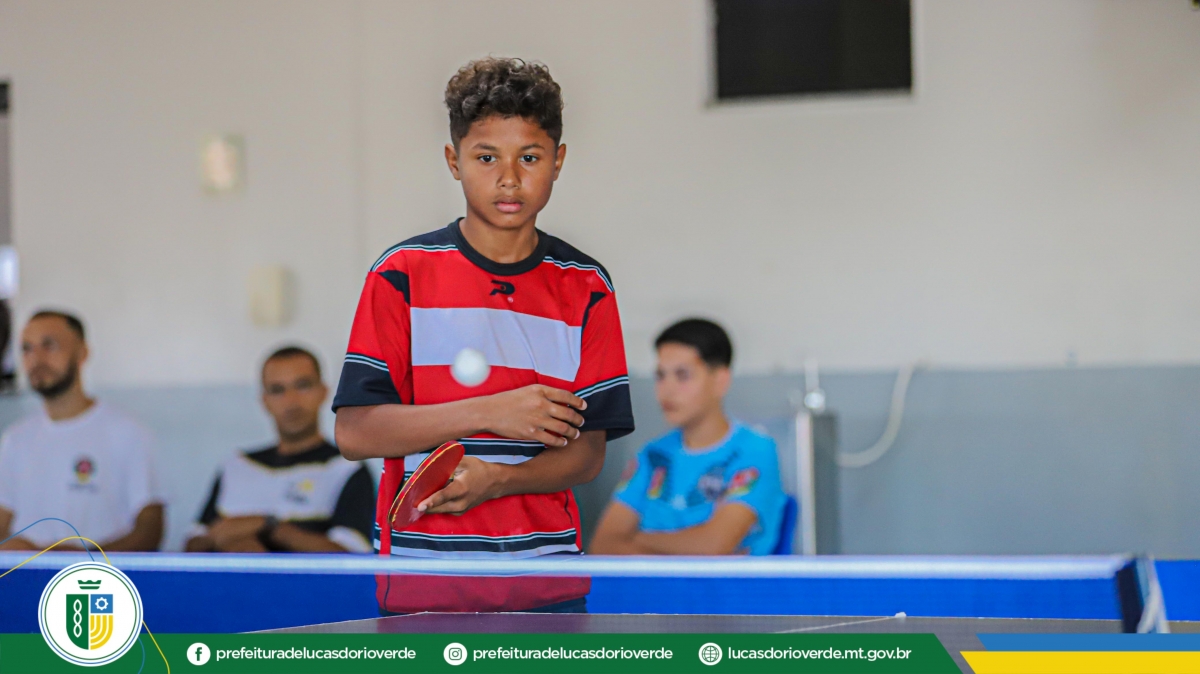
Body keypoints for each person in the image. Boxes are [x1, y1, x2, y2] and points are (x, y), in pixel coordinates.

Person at [333, 57, 634, 613]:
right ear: (454, 161)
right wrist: (490, 411)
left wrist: (497, 478)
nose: (509, 178)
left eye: (530, 157)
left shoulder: (587, 286)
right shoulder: (400, 275)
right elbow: (355, 432)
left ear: (559, 161)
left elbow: (589, 454)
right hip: (426, 586)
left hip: (546, 587)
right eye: (486, 157)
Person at [590, 319, 785, 555]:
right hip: (653, 582)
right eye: (660, 375)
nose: (667, 389)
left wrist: (635, 539)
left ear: (720, 381)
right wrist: (691, 546)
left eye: (682, 375)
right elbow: (603, 546)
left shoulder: (755, 450)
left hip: (728, 583)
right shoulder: (652, 455)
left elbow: (713, 545)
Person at [0, 311, 163, 551]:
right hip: (26, 575)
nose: (36, 358)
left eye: (49, 345)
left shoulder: (128, 433)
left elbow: (150, 531)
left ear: (82, 352)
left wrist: (80, 560)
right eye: (27, 348)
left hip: (98, 574)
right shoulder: (15, 439)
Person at [186, 346, 374, 553]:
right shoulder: (236, 465)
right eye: (277, 390)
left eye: (302, 385)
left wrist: (269, 526)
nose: (291, 401)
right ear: (264, 401)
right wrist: (237, 544)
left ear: (324, 392)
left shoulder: (347, 469)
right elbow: (192, 546)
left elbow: (350, 557)